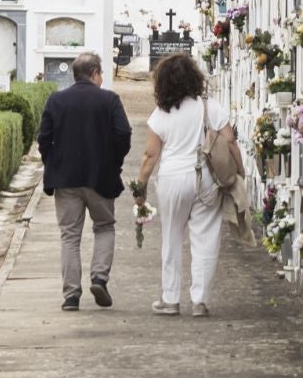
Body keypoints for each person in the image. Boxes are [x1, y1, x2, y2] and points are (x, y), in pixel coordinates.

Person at [135, 53, 232, 317]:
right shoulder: (209, 106)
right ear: (194, 77)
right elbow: (230, 140)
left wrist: (140, 188)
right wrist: (237, 174)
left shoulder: (161, 113)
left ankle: (170, 299)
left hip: (173, 179)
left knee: (172, 237)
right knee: (206, 238)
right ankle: (199, 300)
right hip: (207, 179)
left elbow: (150, 155)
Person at [36, 51, 132, 311]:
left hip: (66, 179)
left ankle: (71, 296)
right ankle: (99, 277)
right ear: (95, 73)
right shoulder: (109, 100)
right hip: (101, 177)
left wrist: (52, 163)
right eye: (101, 74)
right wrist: (114, 161)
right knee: (104, 227)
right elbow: (123, 134)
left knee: (69, 236)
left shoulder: (56, 100)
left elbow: (43, 138)